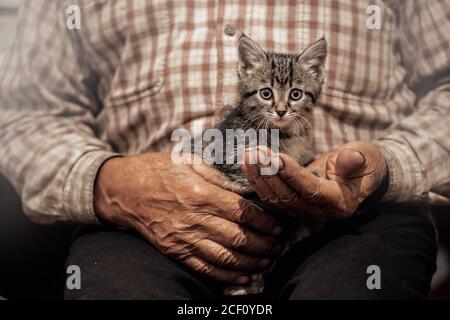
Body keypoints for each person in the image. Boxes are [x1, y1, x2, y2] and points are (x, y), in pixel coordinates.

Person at [0, 0, 448, 299]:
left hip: (354, 219)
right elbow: (27, 114)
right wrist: (107, 182)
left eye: (292, 97)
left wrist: (388, 165)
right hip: (140, 223)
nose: (278, 107)